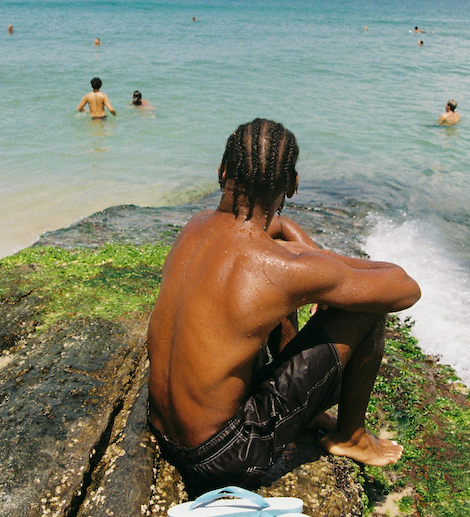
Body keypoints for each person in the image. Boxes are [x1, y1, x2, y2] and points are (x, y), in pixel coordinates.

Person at [147, 118, 419, 489]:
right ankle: (351, 436)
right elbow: (404, 287)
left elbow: (274, 227)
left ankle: (307, 414)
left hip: (164, 430)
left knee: (280, 290)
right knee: (368, 308)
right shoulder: (279, 267)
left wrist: (304, 254)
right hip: (226, 457)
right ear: (292, 185)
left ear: (223, 170)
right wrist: (319, 265)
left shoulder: (194, 227)